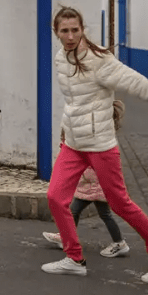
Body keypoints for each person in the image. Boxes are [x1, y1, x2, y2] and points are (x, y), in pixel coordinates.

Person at [41, 6, 148, 284]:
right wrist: (64, 130)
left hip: (100, 144)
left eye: (75, 30)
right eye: (64, 31)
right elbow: (74, 102)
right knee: (56, 197)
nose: (70, 36)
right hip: (74, 144)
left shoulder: (99, 59)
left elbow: (140, 84)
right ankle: (74, 258)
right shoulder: (60, 58)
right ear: (55, 32)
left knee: (120, 204)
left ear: (82, 30)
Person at [42, 102, 129, 258]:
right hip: (95, 187)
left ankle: (119, 243)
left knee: (86, 212)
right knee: (86, 212)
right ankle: (68, 238)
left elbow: (90, 170)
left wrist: (76, 175)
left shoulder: (92, 144)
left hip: (95, 187)